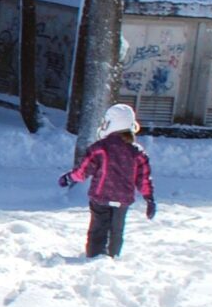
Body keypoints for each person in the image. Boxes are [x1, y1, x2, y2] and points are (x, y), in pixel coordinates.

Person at [61, 103, 156, 258]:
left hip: (101, 196)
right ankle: (113, 257)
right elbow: (144, 178)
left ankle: (94, 256)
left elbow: (83, 171)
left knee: (98, 229)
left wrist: (68, 178)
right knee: (117, 231)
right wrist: (149, 199)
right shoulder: (136, 152)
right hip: (123, 199)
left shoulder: (100, 148)